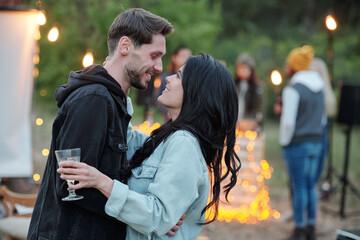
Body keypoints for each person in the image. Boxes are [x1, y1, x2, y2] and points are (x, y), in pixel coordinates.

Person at [57, 53, 241, 239]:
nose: (167, 78)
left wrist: (101, 182)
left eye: (178, 76)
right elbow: (124, 138)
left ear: (196, 92)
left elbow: (159, 217)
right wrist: (118, 81)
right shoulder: (168, 139)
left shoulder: (185, 144)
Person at [28, 8, 174, 240]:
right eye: (154, 55)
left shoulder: (113, 103)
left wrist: (157, 209)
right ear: (125, 46)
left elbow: (106, 177)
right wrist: (147, 212)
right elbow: (71, 186)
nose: (159, 67)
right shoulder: (94, 99)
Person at [280, 45, 325, 240]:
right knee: (310, 185)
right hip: (316, 140)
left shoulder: (293, 89)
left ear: (295, 66)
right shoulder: (320, 87)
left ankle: (299, 228)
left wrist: (284, 142)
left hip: (297, 143)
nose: (286, 66)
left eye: (288, 63)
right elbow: (322, 119)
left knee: (298, 186)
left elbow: (288, 122)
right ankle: (311, 226)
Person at [308, 57, 337, 183]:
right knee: (311, 179)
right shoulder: (324, 93)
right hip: (318, 135)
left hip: (314, 135)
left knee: (309, 179)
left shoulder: (318, 92)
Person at [155, 45, 192, 122]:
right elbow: (157, 97)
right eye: (183, 56)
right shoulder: (164, 77)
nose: (187, 59)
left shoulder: (192, 79)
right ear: (174, 57)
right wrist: (168, 112)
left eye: (189, 57)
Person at [233, 52, 263, 132]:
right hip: (235, 124)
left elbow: (260, 108)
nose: (244, 71)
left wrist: (256, 122)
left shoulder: (257, 87)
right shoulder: (233, 84)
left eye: (246, 69)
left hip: (250, 124)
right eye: (241, 68)